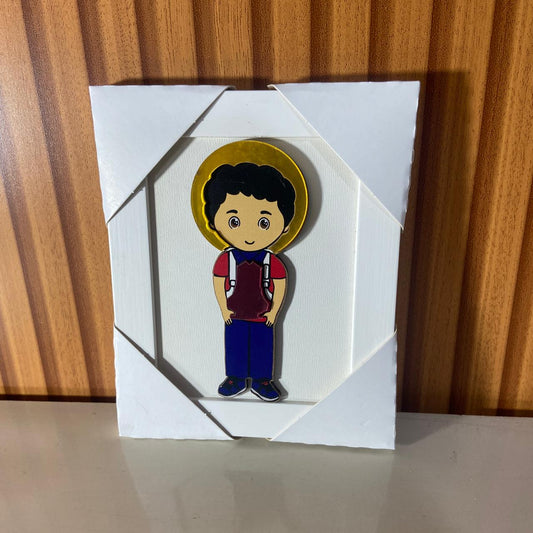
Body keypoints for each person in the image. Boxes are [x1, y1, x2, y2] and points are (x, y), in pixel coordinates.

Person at [203, 162, 296, 402]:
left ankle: (262, 380)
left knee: (263, 347)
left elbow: (280, 284)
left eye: (264, 223)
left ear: (285, 225)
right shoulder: (226, 259)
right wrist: (223, 308)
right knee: (234, 345)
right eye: (234, 221)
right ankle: (234, 378)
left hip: (263, 316)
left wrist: (275, 311)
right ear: (214, 222)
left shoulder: (271, 261)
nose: (249, 233)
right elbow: (219, 282)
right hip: (234, 314)